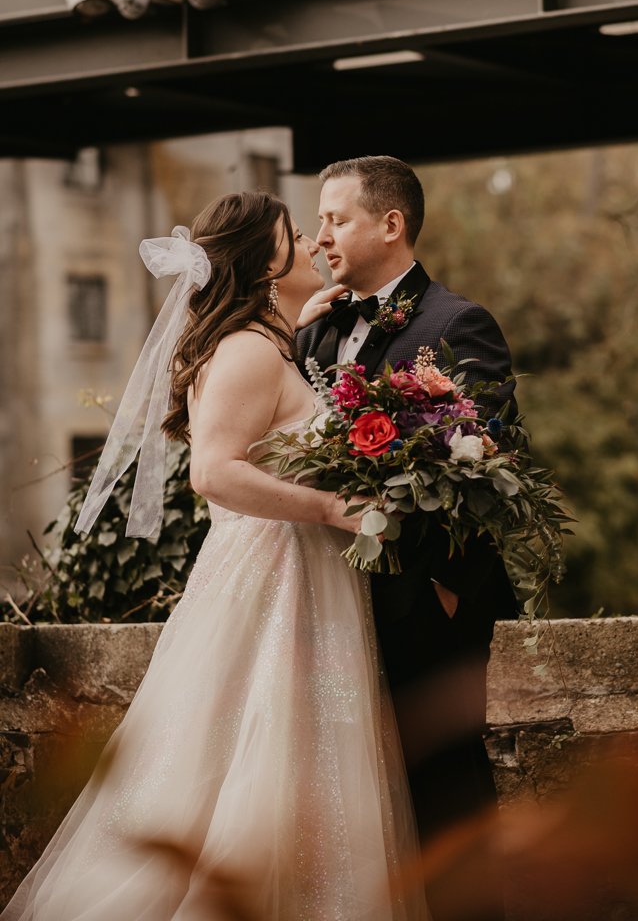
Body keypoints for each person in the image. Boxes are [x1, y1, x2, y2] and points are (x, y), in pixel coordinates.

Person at [3, 191, 429, 921]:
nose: (312, 242)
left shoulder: (266, 344)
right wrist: (333, 507)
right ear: (268, 260)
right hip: (275, 576)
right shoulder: (244, 352)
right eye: (297, 235)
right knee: (258, 751)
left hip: (298, 574)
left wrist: (302, 327)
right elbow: (215, 472)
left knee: (296, 757)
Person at [296, 157, 518, 917]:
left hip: (427, 600)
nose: (320, 236)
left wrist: (440, 588)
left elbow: (485, 464)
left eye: (336, 219)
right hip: (335, 601)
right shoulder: (318, 330)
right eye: (319, 221)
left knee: (444, 786)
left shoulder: (457, 325)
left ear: (391, 225)